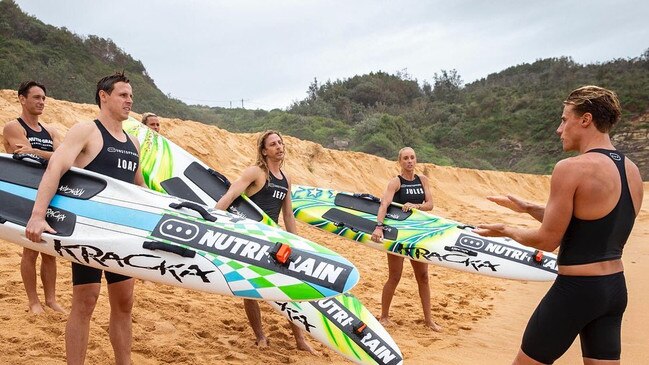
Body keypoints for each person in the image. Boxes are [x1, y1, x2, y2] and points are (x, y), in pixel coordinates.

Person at [474, 86, 643, 364]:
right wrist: (529, 208)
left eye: (565, 119)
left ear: (585, 119)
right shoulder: (632, 171)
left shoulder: (571, 168)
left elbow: (547, 240)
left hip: (577, 290)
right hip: (614, 289)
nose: (558, 129)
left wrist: (505, 230)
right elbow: (590, 225)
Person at [25, 72, 145, 365]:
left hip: (122, 233)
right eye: (122, 95)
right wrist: (38, 215)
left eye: (131, 96)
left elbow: (139, 189)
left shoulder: (133, 143)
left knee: (124, 303)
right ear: (104, 96)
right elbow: (56, 169)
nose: (129, 100)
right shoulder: (86, 131)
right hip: (89, 230)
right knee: (86, 300)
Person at [215, 130, 316, 354]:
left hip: (275, 239)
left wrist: (296, 242)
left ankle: (299, 339)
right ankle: (261, 337)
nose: (279, 147)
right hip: (251, 237)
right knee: (249, 288)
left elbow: (288, 214)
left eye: (280, 142)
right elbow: (231, 195)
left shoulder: (286, 177)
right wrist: (213, 218)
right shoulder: (256, 172)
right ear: (264, 150)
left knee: (288, 288)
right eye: (273, 144)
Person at [3, 81, 64, 314]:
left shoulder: (50, 130)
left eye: (43, 98)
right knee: (30, 247)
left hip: (49, 193)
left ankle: (51, 299)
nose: (41, 102)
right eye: (36, 97)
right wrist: (49, 155)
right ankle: (33, 302)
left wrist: (39, 152)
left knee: (49, 249)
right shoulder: (13, 127)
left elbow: (63, 156)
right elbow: (24, 155)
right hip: (25, 192)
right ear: (22, 99)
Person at [370, 147, 442, 332]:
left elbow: (430, 204)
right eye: (405, 158)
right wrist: (379, 226)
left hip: (417, 235)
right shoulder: (396, 182)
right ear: (399, 161)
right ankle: (384, 316)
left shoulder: (422, 180)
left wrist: (415, 205)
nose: (409, 161)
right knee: (394, 276)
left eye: (412, 158)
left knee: (424, 277)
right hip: (398, 235)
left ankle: (429, 320)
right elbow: (384, 204)